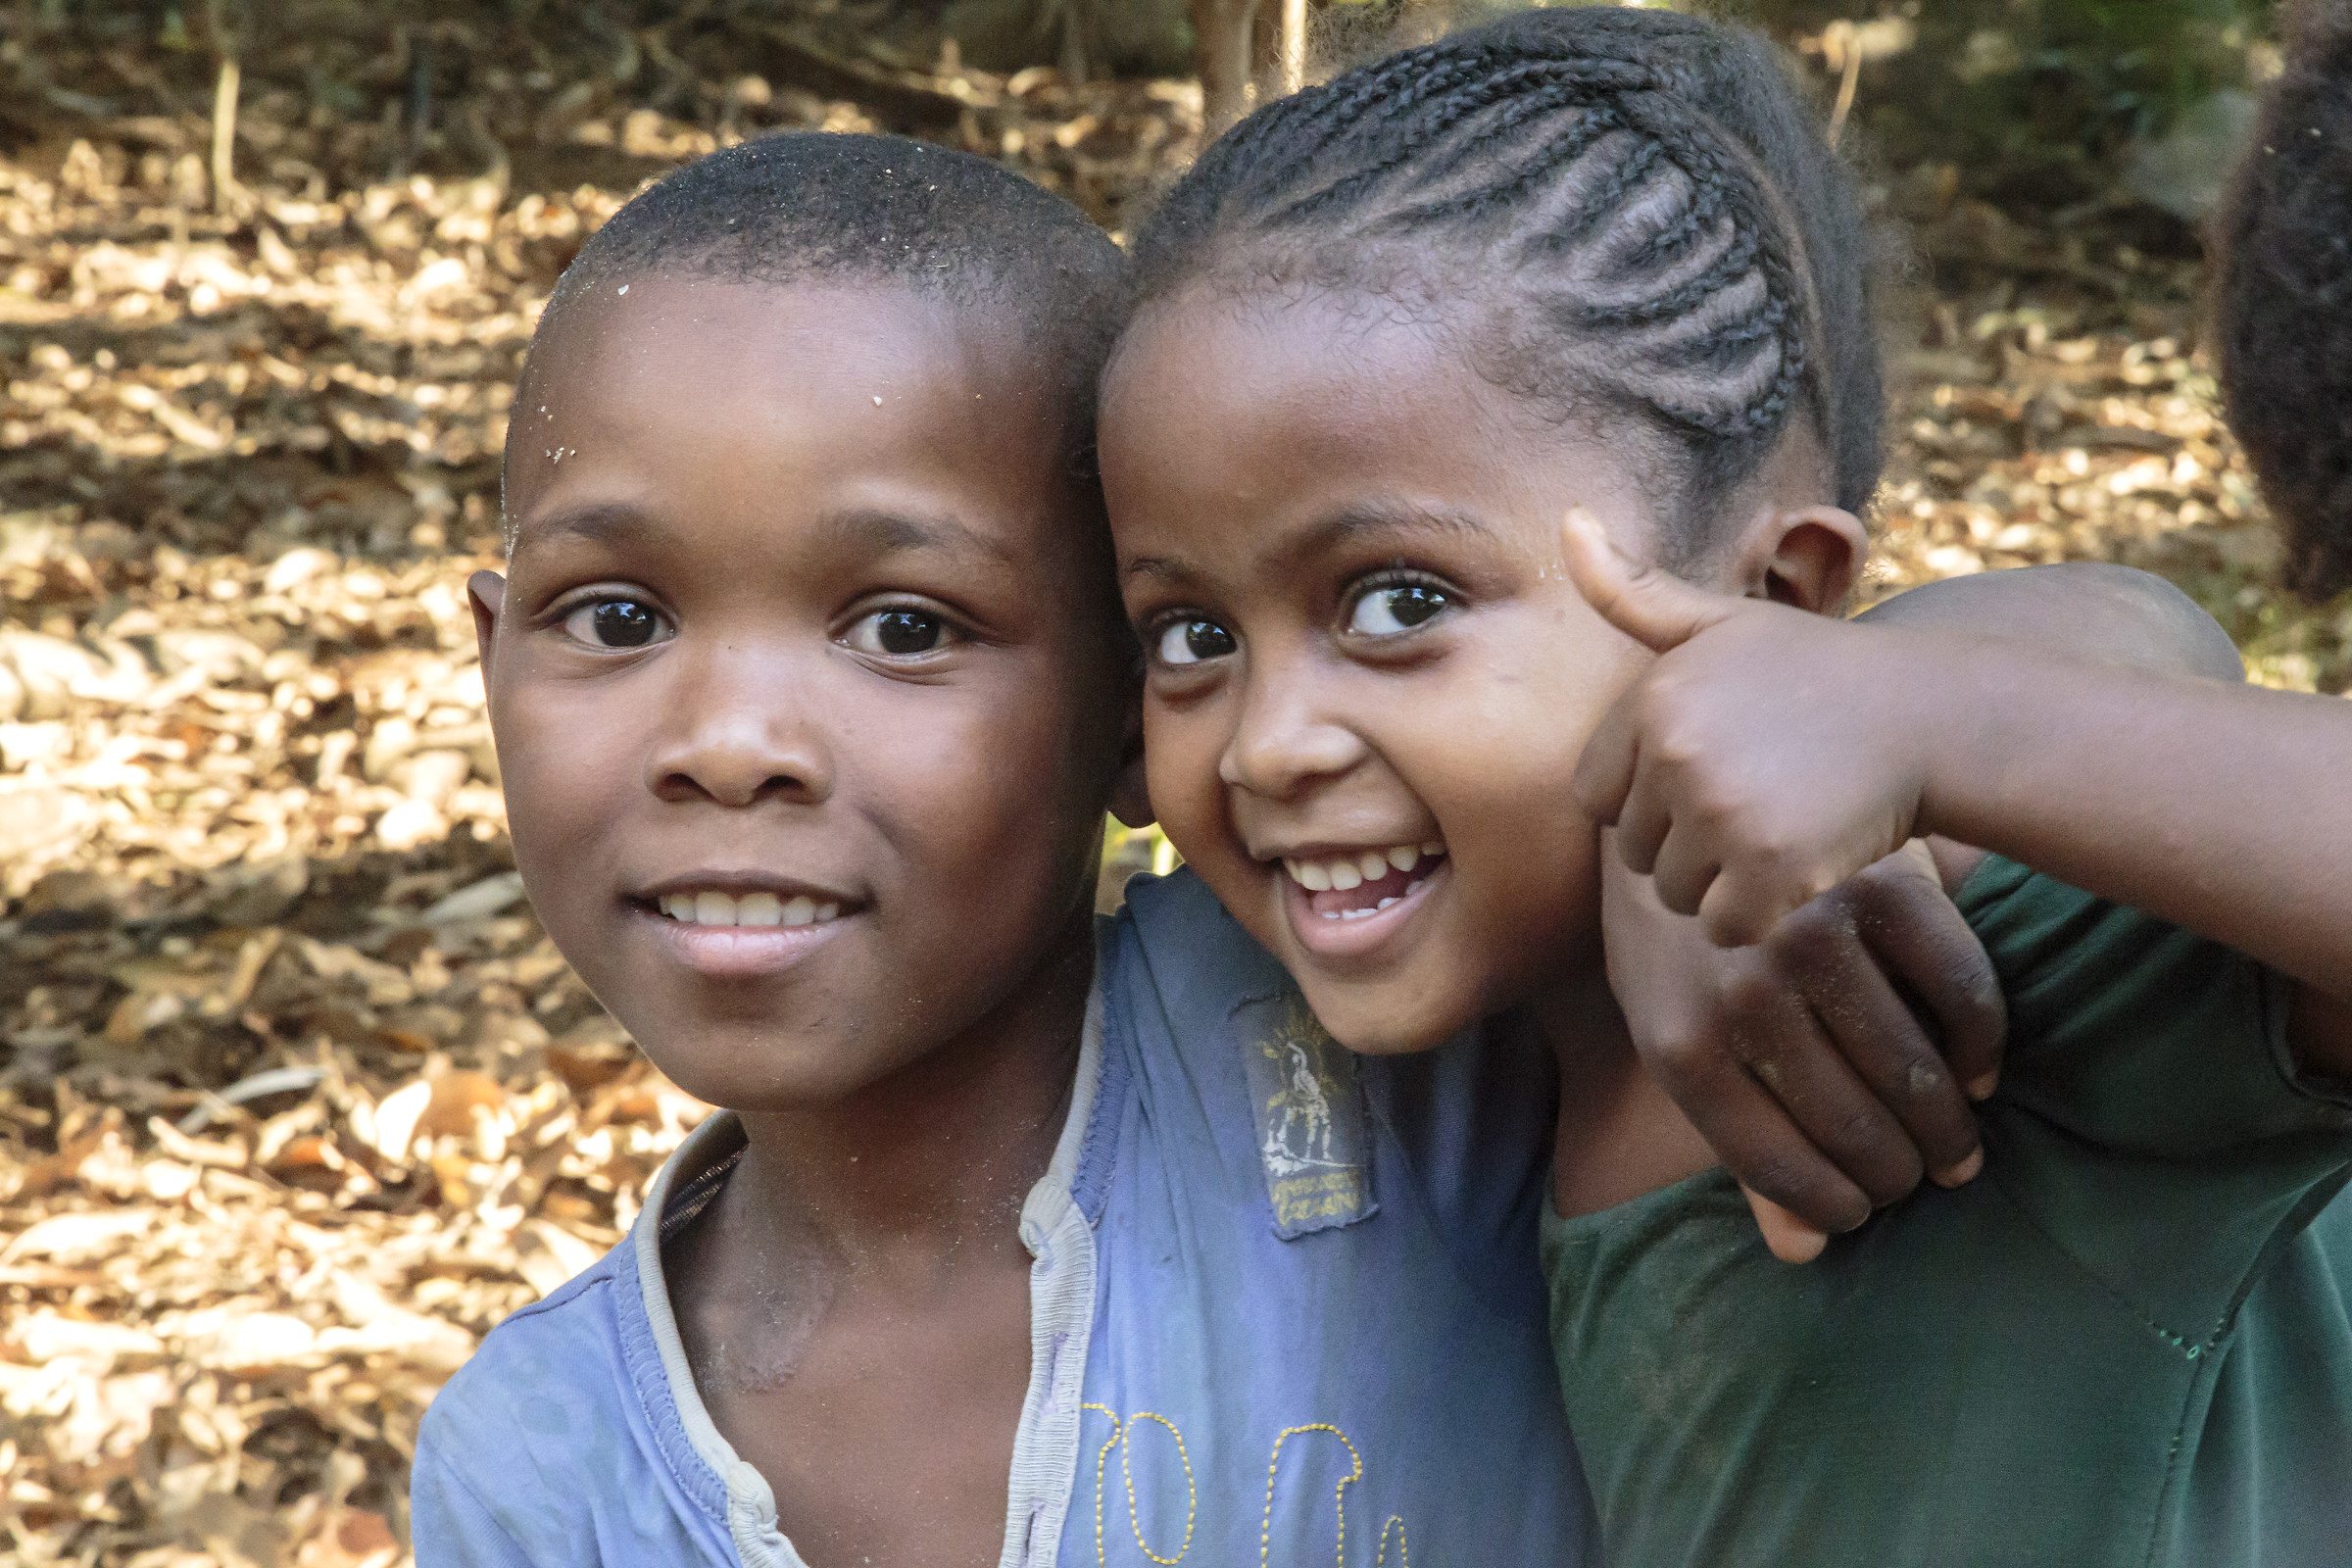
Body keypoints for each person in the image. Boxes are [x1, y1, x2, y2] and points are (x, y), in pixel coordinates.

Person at [1095, 7, 2352, 1566]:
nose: (1267, 742)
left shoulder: (1940, 968)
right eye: (1191, 634)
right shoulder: (1388, 1088)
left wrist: (1955, 711)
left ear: (1783, 603)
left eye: (1399, 602)